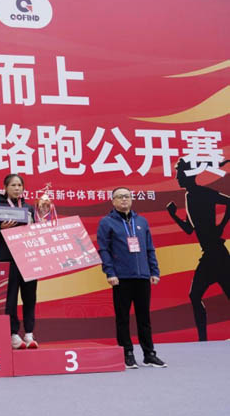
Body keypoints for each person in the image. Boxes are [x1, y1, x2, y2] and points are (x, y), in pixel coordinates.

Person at [97, 187, 167, 369]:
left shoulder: (141, 221)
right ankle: (127, 353)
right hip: (121, 278)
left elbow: (149, 248)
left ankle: (149, 354)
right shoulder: (107, 222)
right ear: (113, 201)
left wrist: (154, 271)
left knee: (144, 318)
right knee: (123, 318)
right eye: (119, 197)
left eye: (127, 196)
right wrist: (110, 273)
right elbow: (104, 250)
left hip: (142, 276)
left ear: (131, 199)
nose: (124, 200)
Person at [166, 158, 230, 341]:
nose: (177, 178)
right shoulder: (189, 196)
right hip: (210, 253)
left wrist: (220, 226)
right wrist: (173, 216)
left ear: (187, 175)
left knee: (195, 295)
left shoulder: (203, 193)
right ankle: (202, 340)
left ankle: (203, 340)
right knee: (195, 296)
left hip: (217, 253)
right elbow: (189, 229)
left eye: (179, 174)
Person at [0, 174, 38, 349]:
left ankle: (29, 333)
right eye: (13, 185)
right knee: (11, 298)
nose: (17, 188)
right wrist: (0, 228)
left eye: (19, 185)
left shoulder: (29, 208)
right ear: (5, 188)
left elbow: (38, 231)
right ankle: (13, 334)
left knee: (30, 297)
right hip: (9, 259)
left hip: (29, 258)